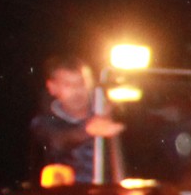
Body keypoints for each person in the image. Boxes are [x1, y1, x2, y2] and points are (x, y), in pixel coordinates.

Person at [30, 56, 123, 185]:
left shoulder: (112, 110)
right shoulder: (43, 122)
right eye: (68, 85)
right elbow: (56, 142)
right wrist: (88, 130)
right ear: (52, 87)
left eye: (82, 83)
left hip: (112, 194)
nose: (77, 90)